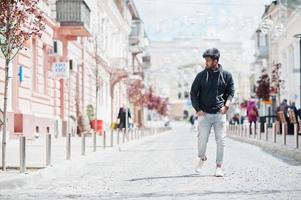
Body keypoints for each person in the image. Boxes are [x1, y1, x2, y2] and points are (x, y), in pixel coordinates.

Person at [190, 48, 235, 177]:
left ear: (215, 61)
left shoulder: (226, 75)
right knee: (202, 140)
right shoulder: (201, 76)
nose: (206, 62)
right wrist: (197, 109)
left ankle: (219, 167)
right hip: (204, 114)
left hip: (219, 114)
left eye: (208, 60)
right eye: (205, 60)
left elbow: (231, 92)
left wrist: (226, 106)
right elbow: (193, 93)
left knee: (221, 140)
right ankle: (202, 157)